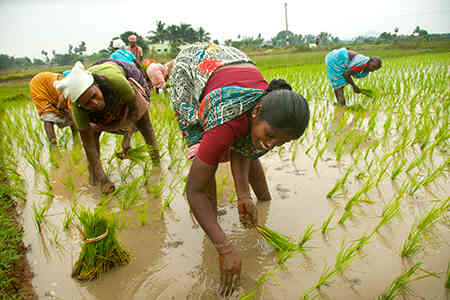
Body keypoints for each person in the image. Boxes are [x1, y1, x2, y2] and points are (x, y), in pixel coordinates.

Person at [169, 43, 310, 293]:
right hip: (193, 66)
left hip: (232, 64)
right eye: (272, 135)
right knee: (204, 149)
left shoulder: (268, 114)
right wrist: (225, 248)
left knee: (251, 141)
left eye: (282, 141)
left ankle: (263, 199)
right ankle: (210, 228)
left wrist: (244, 194)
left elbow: (246, 148)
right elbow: (194, 191)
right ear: (256, 111)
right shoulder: (227, 121)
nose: (272, 144)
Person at [54, 59, 160, 194]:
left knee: (145, 125)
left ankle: (157, 164)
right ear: (80, 105)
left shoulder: (117, 82)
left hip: (124, 76)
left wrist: (127, 139)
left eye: (94, 96)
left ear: (96, 85)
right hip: (98, 75)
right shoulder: (78, 109)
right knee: (93, 132)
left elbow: (135, 111)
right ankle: (95, 177)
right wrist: (103, 180)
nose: (95, 103)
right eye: (87, 103)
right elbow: (88, 145)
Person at [29, 72, 78, 145]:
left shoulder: (78, 88)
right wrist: (71, 117)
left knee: (73, 117)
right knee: (48, 115)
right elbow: (61, 106)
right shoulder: (66, 88)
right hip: (39, 86)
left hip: (52, 89)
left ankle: (77, 141)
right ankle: (53, 144)